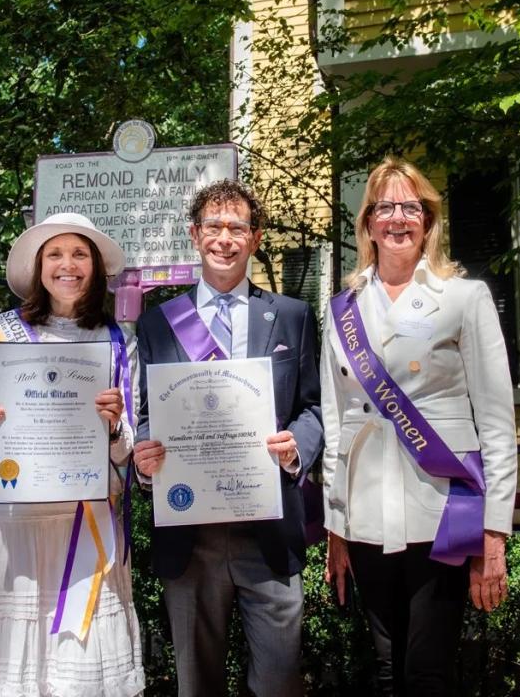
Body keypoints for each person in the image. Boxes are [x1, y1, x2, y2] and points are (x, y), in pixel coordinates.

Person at [321, 155, 518, 695]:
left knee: (427, 672)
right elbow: (336, 424)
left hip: (441, 510)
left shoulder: (463, 297)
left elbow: (497, 423)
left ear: (428, 220)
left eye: (411, 206)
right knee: (385, 671)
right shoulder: (342, 308)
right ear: (368, 224)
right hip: (363, 513)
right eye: (385, 207)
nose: (398, 218)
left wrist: (494, 533)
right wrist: (335, 525)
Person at [133, 180, 324, 697]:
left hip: (268, 529)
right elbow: (146, 413)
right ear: (195, 236)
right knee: (198, 684)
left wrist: (297, 448)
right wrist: (145, 458)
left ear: (255, 237)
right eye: (213, 227)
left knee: (280, 682)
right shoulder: (157, 323)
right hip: (189, 533)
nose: (224, 238)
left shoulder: (290, 316)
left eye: (237, 227)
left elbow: (312, 407)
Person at [0, 213, 145, 697]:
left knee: (76, 670)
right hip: (9, 521)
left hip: (84, 521)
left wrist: (115, 426)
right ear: (38, 267)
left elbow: (127, 449)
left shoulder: (119, 340)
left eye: (79, 255)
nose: (67, 265)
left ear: (95, 267)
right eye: (55, 254)